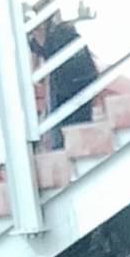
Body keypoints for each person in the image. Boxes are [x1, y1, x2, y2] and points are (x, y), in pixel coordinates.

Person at [30, 10, 99, 152]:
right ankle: (75, 147)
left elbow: (38, 65)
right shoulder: (61, 34)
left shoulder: (59, 37)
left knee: (71, 122)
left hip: (72, 83)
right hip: (79, 81)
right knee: (76, 121)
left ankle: (72, 148)